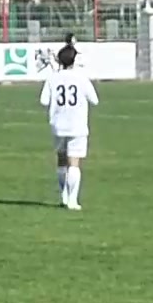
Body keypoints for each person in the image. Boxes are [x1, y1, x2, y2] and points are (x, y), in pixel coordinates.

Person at [42, 44, 99, 210]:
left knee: (61, 160)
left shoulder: (53, 78)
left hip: (58, 125)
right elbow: (94, 100)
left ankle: (64, 195)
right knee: (74, 162)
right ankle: (73, 199)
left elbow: (44, 101)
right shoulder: (81, 78)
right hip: (77, 125)